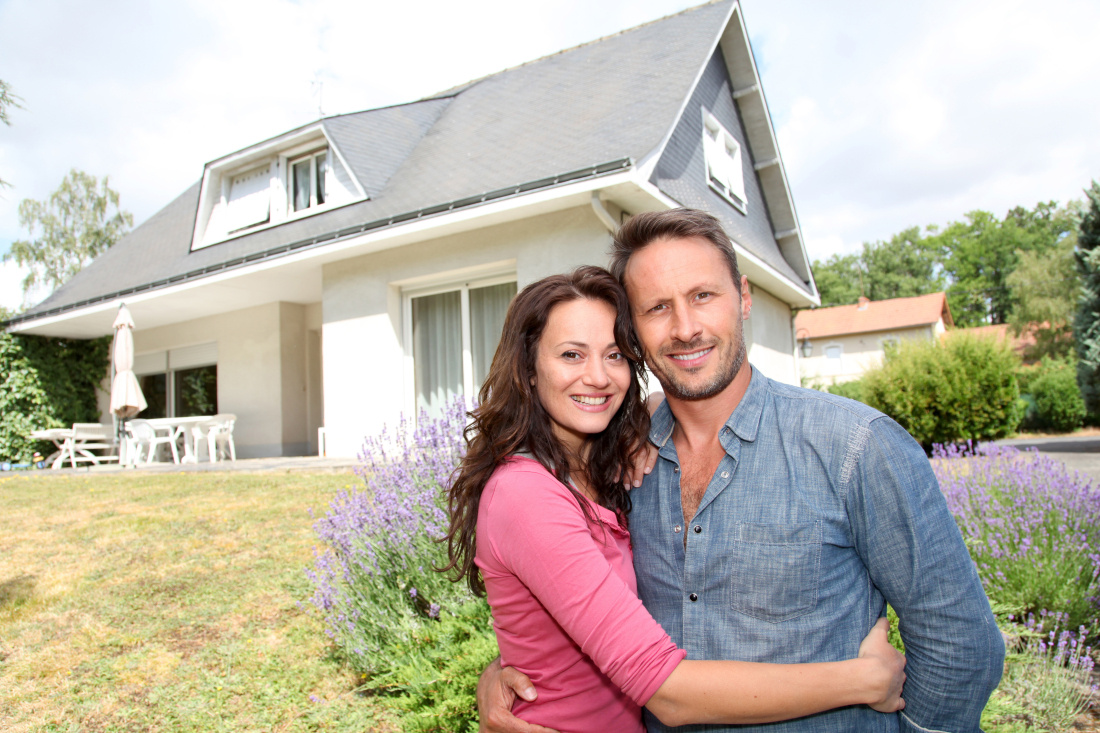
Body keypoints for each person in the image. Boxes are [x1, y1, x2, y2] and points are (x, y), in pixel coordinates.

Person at [478, 210, 1005, 733]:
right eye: (657, 308)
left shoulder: (854, 446)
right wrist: (507, 669)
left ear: (744, 298)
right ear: (636, 331)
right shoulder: (625, 465)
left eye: (703, 296)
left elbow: (959, 639)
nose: (686, 328)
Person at [445, 265, 906, 733]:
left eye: (616, 355)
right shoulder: (527, 495)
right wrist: (863, 680)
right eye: (571, 354)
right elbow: (665, 690)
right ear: (528, 369)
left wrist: (649, 415)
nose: (598, 377)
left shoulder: (598, 468)